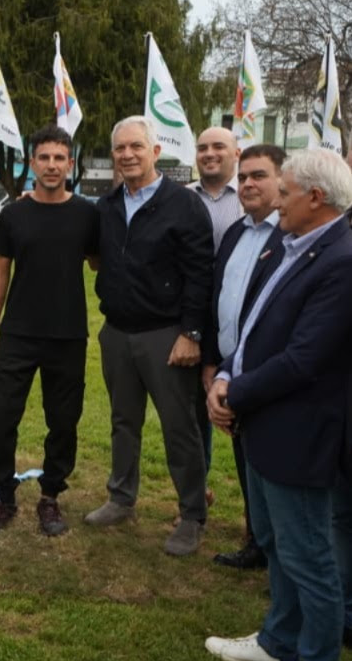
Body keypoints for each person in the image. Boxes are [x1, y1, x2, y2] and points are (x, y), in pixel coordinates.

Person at [205, 148, 352, 661]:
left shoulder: (340, 259)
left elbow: (305, 358)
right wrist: (226, 376)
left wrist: (234, 391)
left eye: (284, 191)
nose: (275, 200)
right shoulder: (293, 244)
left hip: (299, 430)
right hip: (263, 422)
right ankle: (279, 643)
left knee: (309, 556)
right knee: (275, 543)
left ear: (315, 198)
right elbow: (257, 321)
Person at [86, 116, 213, 557]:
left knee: (181, 428)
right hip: (117, 332)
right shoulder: (106, 206)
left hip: (167, 335)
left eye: (136, 147)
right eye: (120, 148)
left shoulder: (184, 205)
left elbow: (200, 275)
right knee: (124, 422)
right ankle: (121, 498)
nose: (127, 155)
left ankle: (192, 515)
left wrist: (191, 333)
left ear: (155, 151)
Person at [0, 124, 100, 536]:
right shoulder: (14, 214)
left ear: (70, 163)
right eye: (44, 157)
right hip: (18, 334)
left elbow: (99, 262)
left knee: (63, 419)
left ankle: (50, 498)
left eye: (59, 158)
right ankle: (4, 497)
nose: (51, 165)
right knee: (0, 414)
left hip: (67, 335)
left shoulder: (87, 214)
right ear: (33, 163)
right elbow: (0, 272)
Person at [202, 144, 285, 570]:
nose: (249, 184)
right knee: (244, 459)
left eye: (259, 176)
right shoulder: (236, 232)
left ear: (282, 181)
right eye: (245, 178)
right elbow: (220, 298)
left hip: (267, 374)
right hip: (228, 370)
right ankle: (256, 539)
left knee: (272, 464)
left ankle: (280, 551)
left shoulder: (291, 236)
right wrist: (213, 362)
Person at [189, 127, 244, 492]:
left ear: (235, 153)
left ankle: (254, 515)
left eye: (219, 147)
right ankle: (197, 493)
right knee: (194, 414)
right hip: (193, 317)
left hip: (239, 318)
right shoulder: (180, 197)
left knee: (245, 412)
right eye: (203, 147)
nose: (210, 153)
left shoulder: (251, 196)